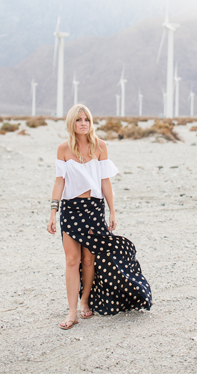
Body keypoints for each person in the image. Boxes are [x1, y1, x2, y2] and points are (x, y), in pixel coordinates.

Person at [47, 104, 152, 329]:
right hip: (71, 211)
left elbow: (105, 181)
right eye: (78, 120)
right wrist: (53, 212)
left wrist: (112, 210)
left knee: (88, 260)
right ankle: (72, 311)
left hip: (94, 209)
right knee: (71, 260)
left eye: (86, 119)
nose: (83, 123)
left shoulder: (100, 146)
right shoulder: (63, 149)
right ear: (71, 123)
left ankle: (85, 301)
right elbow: (59, 182)